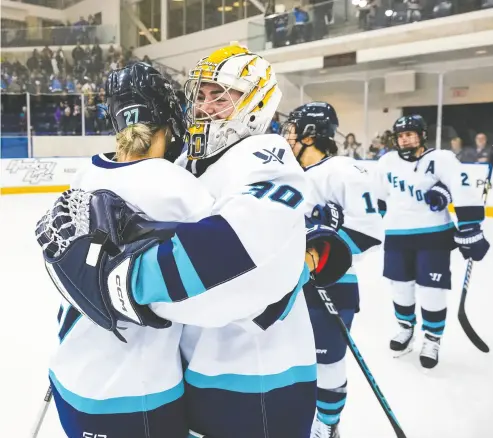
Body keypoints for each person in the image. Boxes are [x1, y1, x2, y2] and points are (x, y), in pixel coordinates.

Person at [36, 45, 352, 438]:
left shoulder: (263, 156)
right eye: (200, 95)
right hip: (201, 370)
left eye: (222, 96)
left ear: (257, 102)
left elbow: (241, 265)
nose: (205, 106)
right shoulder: (189, 162)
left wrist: (121, 281)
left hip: (258, 377)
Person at [37, 62, 215, 438]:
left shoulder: (88, 174)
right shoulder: (180, 188)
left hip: (71, 374)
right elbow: (219, 285)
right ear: (169, 117)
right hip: (135, 396)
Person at [282, 102, 383, 438]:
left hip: (331, 283)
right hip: (290, 284)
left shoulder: (342, 170)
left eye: (293, 130)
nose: (287, 136)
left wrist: (330, 239)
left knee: (326, 361)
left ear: (311, 135)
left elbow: (367, 234)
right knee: (291, 361)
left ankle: (327, 424)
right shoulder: (290, 174)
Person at [374, 115, 490, 369]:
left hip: (433, 235)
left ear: (422, 136)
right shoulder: (386, 162)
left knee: (431, 290)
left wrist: (470, 225)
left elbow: (461, 188)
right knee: (400, 287)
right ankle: (406, 328)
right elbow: (379, 197)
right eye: (401, 135)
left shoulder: (442, 159)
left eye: (410, 134)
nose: (404, 139)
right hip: (397, 236)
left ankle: (432, 338)